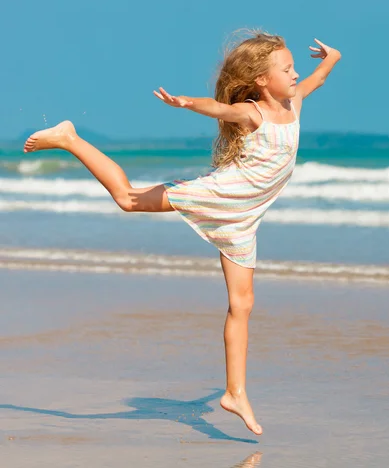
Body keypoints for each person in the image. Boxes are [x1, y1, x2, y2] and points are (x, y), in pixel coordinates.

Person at [23, 31, 342, 435]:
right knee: (127, 198)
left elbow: (319, 78)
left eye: (295, 66)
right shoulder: (251, 113)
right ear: (262, 80)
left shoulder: (293, 103)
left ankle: (234, 392)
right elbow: (218, 109)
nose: (296, 74)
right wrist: (187, 103)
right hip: (222, 195)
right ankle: (69, 138)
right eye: (287, 69)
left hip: (244, 218)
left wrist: (332, 57)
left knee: (242, 305)